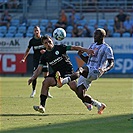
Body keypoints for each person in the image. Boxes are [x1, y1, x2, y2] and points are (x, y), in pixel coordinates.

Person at [28, 35, 94, 113]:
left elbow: (74, 47)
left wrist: (86, 50)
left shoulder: (59, 48)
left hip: (68, 72)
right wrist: (33, 77)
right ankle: (42, 106)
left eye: (49, 41)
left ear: (52, 40)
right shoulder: (44, 56)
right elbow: (39, 69)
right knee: (45, 82)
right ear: (43, 44)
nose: (48, 44)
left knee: (74, 87)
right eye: (46, 43)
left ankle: (86, 102)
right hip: (57, 74)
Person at [56, 28, 114, 114]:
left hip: (96, 71)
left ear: (102, 36)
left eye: (96, 34)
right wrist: (80, 55)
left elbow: (111, 63)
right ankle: (99, 105)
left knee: (81, 69)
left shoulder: (107, 48)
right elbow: (88, 61)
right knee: (80, 93)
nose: (94, 36)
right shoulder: (92, 46)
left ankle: (62, 81)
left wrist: (105, 69)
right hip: (89, 69)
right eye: (94, 34)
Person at [20, 26, 53, 98]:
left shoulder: (44, 39)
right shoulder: (32, 41)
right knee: (35, 75)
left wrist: (45, 51)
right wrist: (24, 58)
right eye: (35, 31)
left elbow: (50, 48)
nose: (36, 32)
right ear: (33, 32)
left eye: (37, 30)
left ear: (40, 31)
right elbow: (28, 50)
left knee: (46, 76)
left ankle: (47, 92)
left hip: (45, 60)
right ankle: (33, 91)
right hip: (36, 60)